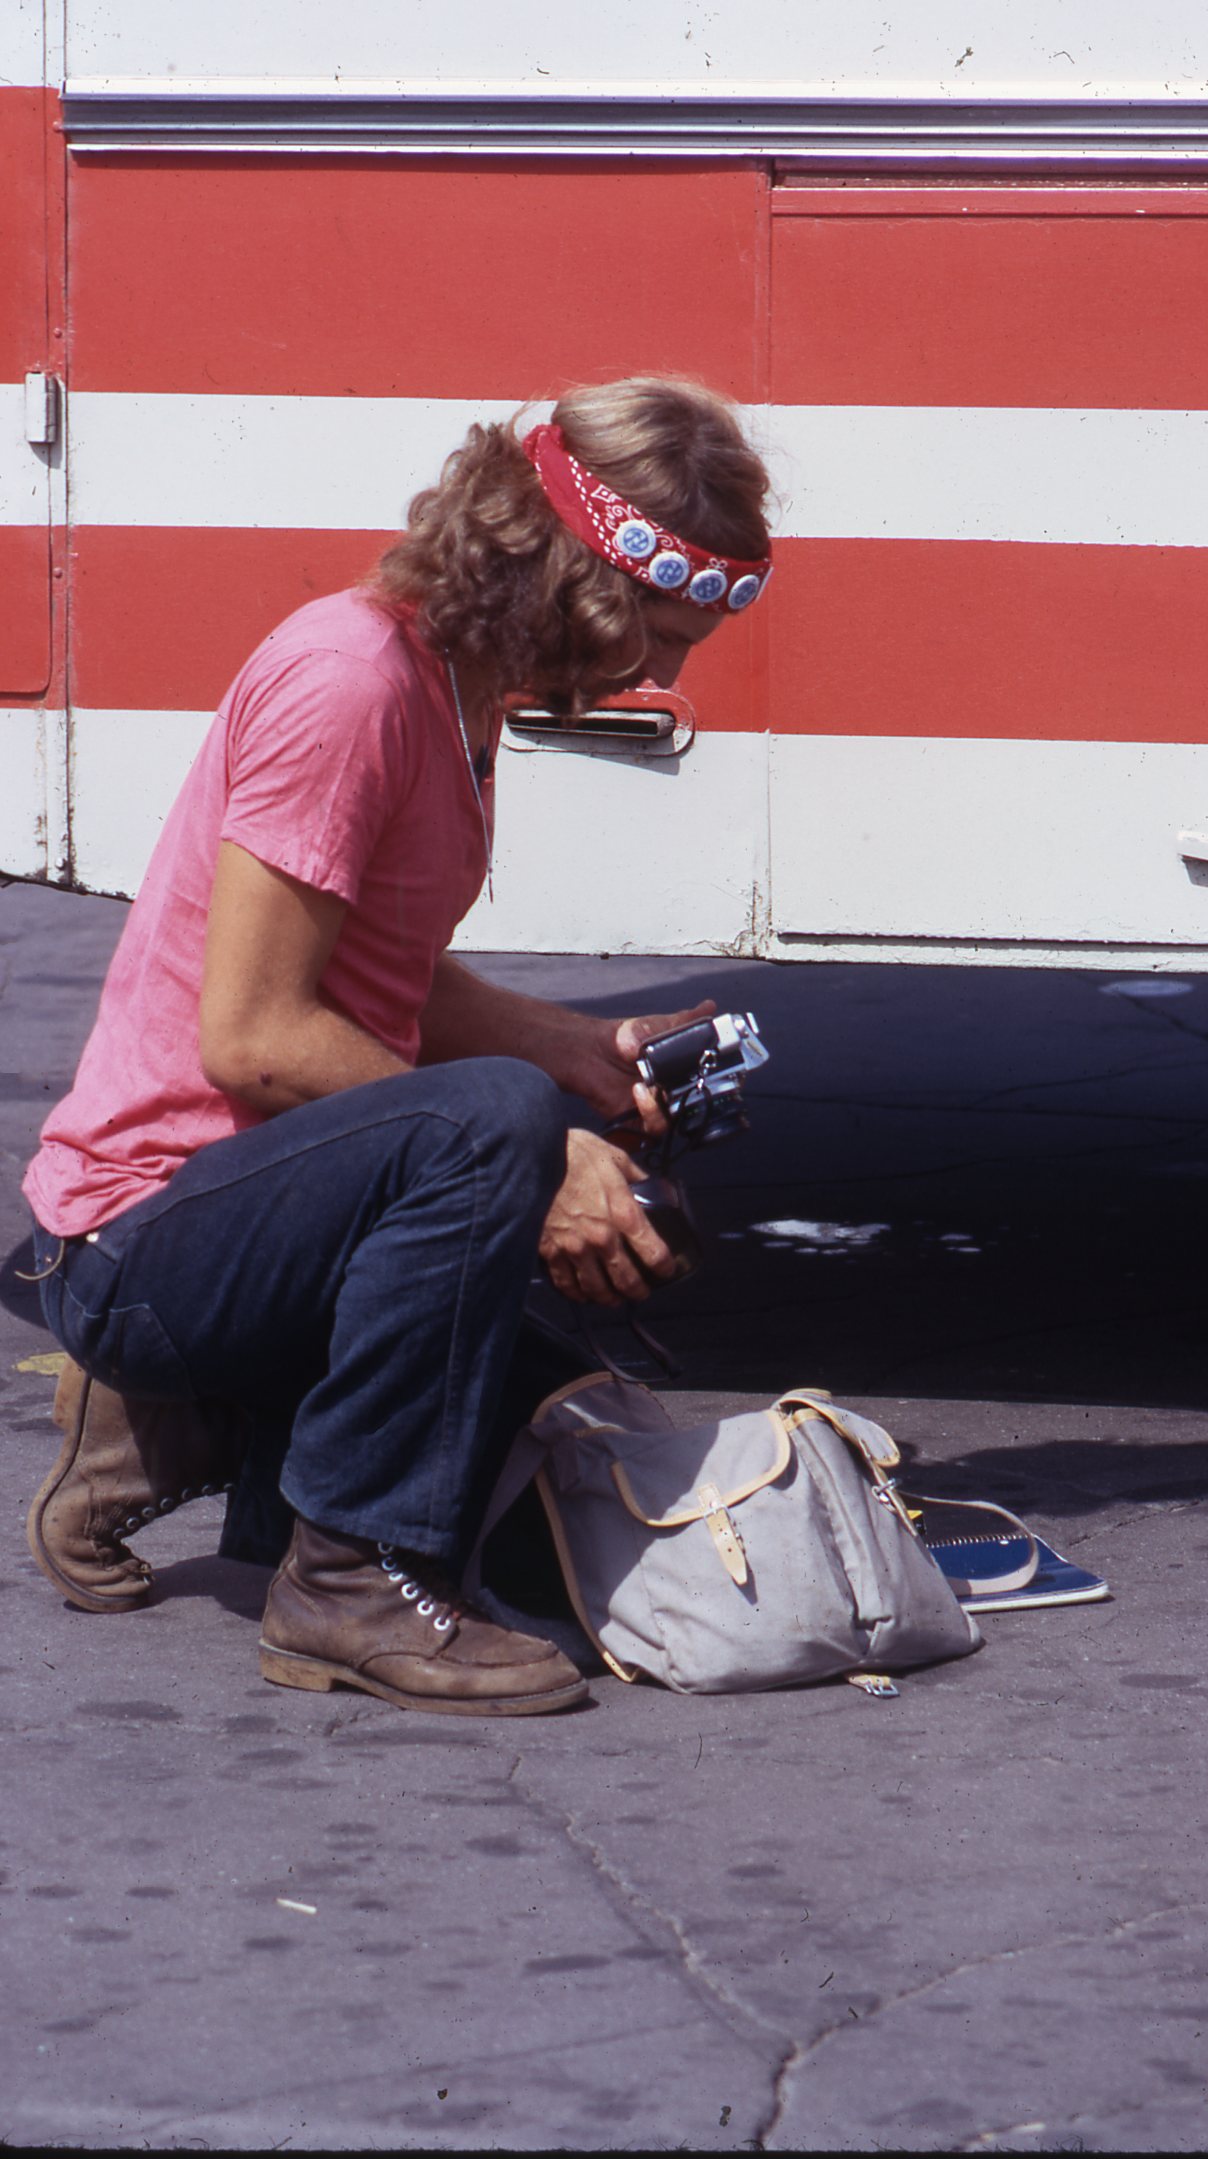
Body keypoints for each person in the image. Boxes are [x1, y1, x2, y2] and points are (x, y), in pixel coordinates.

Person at [21, 376, 773, 1718]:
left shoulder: (450, 685)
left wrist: (580, 1049)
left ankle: (185, 1427)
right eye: (659, 634)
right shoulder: (350, 682)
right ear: (580, 577)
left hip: (266, 1205)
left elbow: (374, 973)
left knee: (562, 1429)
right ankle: (346, 1585)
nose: (659, 677)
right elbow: (255, 1035)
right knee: (494, 1130)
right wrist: (538, 1155)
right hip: (144, 1236)